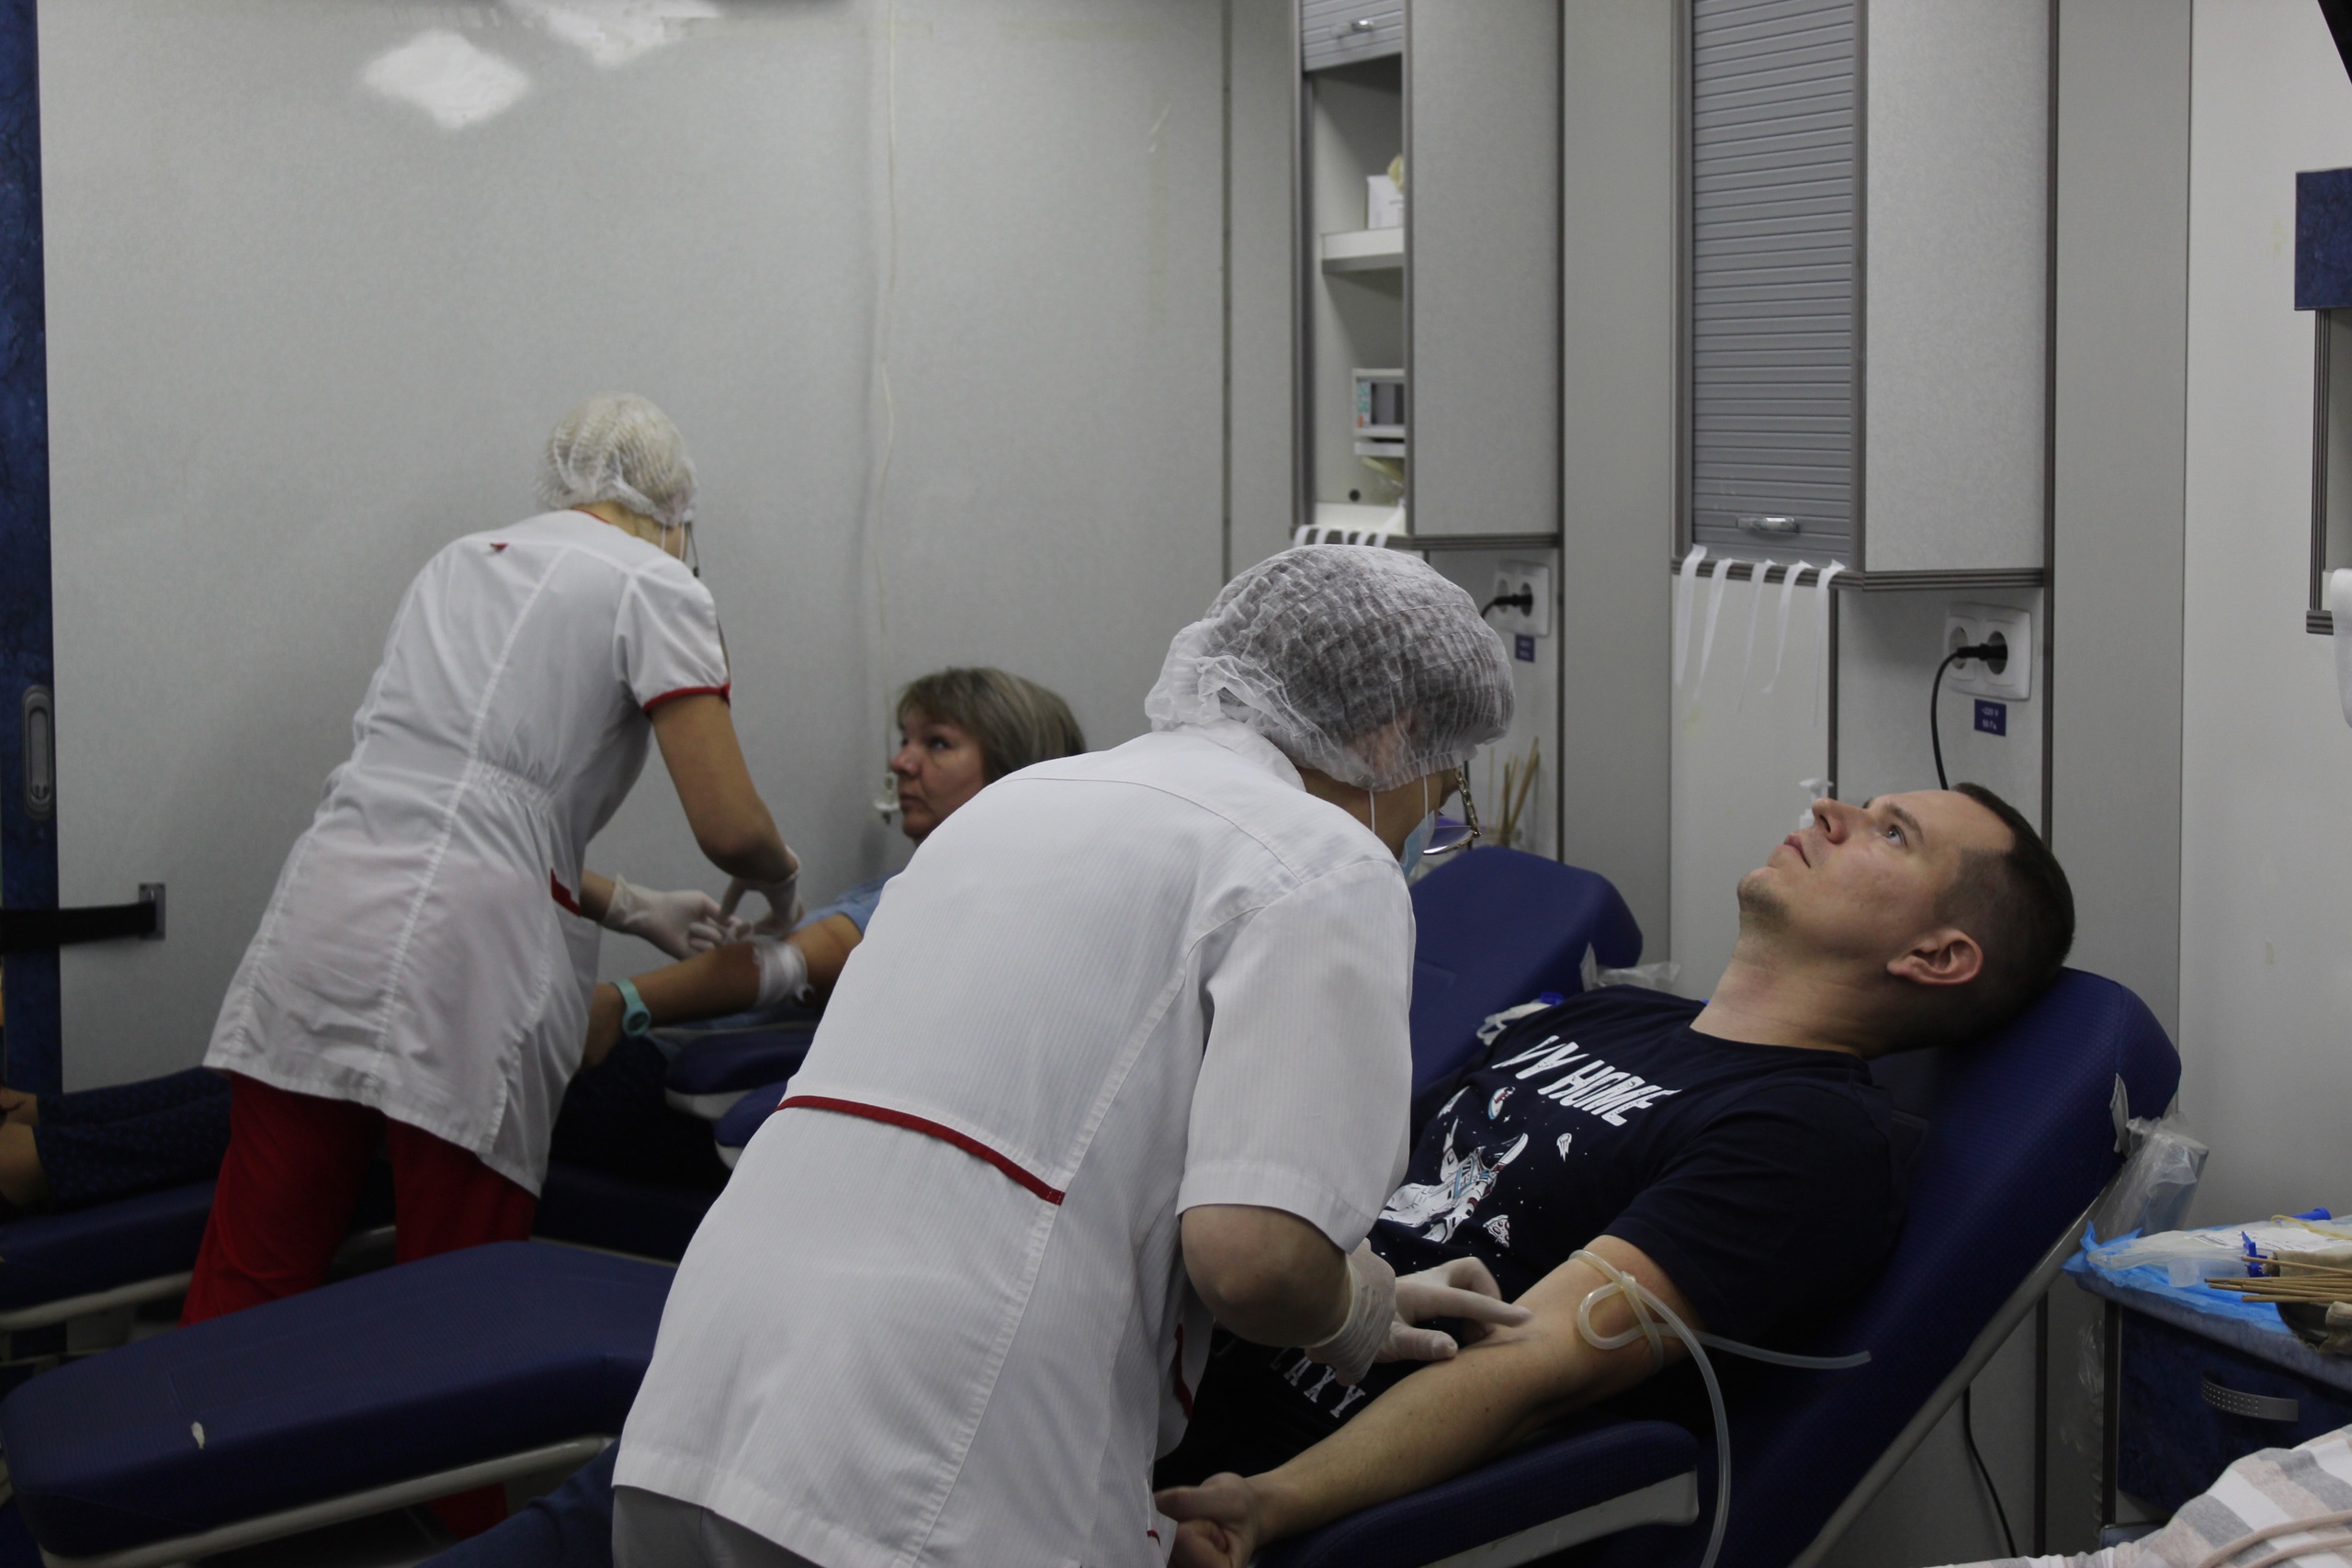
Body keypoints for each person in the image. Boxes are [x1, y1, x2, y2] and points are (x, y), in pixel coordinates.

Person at [606, 545, 1519, 1567]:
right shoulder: (1319, 861)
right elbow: (1255, 1261)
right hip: (935, 1468)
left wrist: (1345, 1283)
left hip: (701, 1413)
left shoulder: (1020, 802)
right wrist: (1349, 1312)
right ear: (1393, 731)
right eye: (1445, 784)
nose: (1429, 821)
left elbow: (1050, 1124)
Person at [1152, 783, 2078, 1567]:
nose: (1831, 810)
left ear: (1934, 956)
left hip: (1259, 1485)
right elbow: (1343, 1185)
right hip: (1171, 1391)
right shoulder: (1606, 1017)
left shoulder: (1810, 1137)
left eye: (1891, 833)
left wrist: (1268, 1502)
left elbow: (1538, 1362)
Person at [185, 393, 797, 1328]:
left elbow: (447, 804)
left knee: (251, 1272)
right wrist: (781, 876)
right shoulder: (659, 582)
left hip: (327, 914)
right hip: (468, 965)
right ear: (675, 509)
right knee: (454, 1304)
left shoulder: (458, 562)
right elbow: (729, 828)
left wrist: (631, 905)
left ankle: (201, 1422)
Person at [549, 667, 1087, 1189]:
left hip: (676, 1085)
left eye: (938, 743)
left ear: (1015, 772)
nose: (901, 762)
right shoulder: (912, 886)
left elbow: (785, 968)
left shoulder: (950, 893)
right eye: (906, 741)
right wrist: (638, 912)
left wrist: (622, 1002)